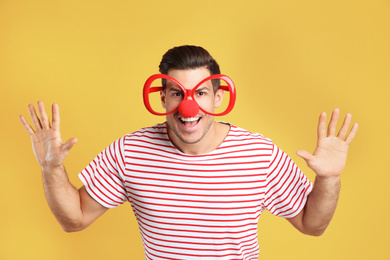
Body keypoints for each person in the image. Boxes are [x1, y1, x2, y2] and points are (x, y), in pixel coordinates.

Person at [19, 45, 358, 259]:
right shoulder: (130, 151)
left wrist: (328, 178)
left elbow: (313, 226)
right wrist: (51, 169)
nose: (189, 105)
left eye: (201, 93)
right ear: (163, 98)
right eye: (177, 93)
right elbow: (74, 220)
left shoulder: (259, 154)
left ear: (218, 98)